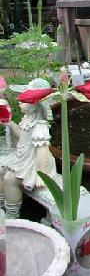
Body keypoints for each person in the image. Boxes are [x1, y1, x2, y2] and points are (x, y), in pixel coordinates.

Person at [0, 78, 57, 218]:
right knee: (1, 169)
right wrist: (9, 123)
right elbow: (22, 136)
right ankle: (2, 204)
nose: (20, 100)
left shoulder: (40, 126)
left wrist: (41, 175)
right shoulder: (28, 119)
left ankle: (12, 215)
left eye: (25, 99)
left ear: (37, 104)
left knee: (9, 179)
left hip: (37, 164)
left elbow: (42, 152)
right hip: (24, 158)